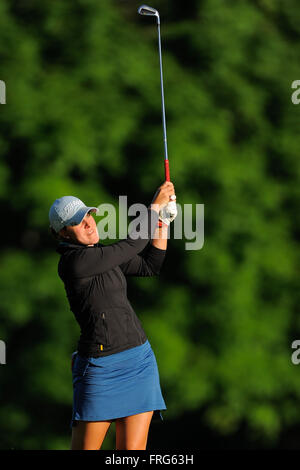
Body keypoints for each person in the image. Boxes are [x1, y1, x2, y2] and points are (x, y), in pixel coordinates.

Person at [49, 181, 176, 450]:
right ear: (63, 233)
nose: (88, 223)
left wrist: (163, 222)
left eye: (88, 215)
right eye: (77, 222)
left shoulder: (100, 253)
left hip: (139, 361)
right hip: (100, 369)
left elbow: (149, 265)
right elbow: (133, 243)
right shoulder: (74, 263)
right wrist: (154, 207)